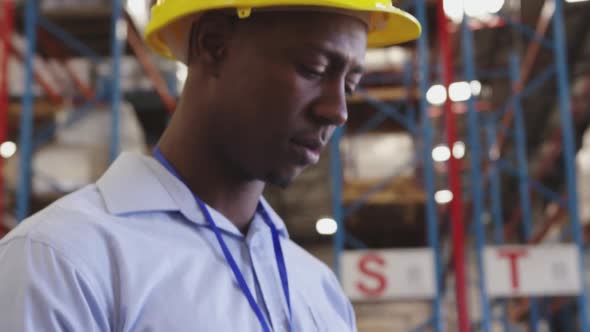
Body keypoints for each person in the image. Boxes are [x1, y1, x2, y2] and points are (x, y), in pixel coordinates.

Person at [0, 1, 420, 331]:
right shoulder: (62, 262)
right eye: (312, 69)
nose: (338, 111)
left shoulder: (319, 291)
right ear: (214, 44)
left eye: (349, 84)